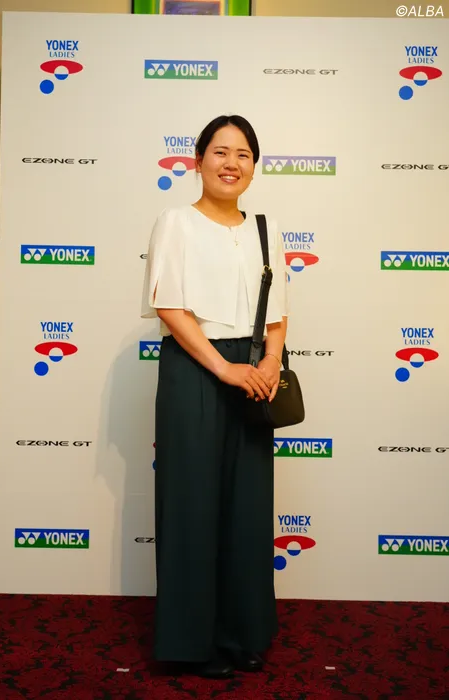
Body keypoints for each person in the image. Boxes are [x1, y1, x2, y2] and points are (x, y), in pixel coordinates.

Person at [141, 114, 288, 678]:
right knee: (192, 503)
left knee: (247, 507)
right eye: (220, 152)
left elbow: (277, 312)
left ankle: (242, 633)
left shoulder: (266, 229)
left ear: (254, 166)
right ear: (198, 160)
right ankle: (192, 642)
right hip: (196, 369)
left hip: (254, 373)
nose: (232, 163)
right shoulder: (175, 221)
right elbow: (169, 306)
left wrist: (270, 361)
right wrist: (224, 368)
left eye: (243, 154)